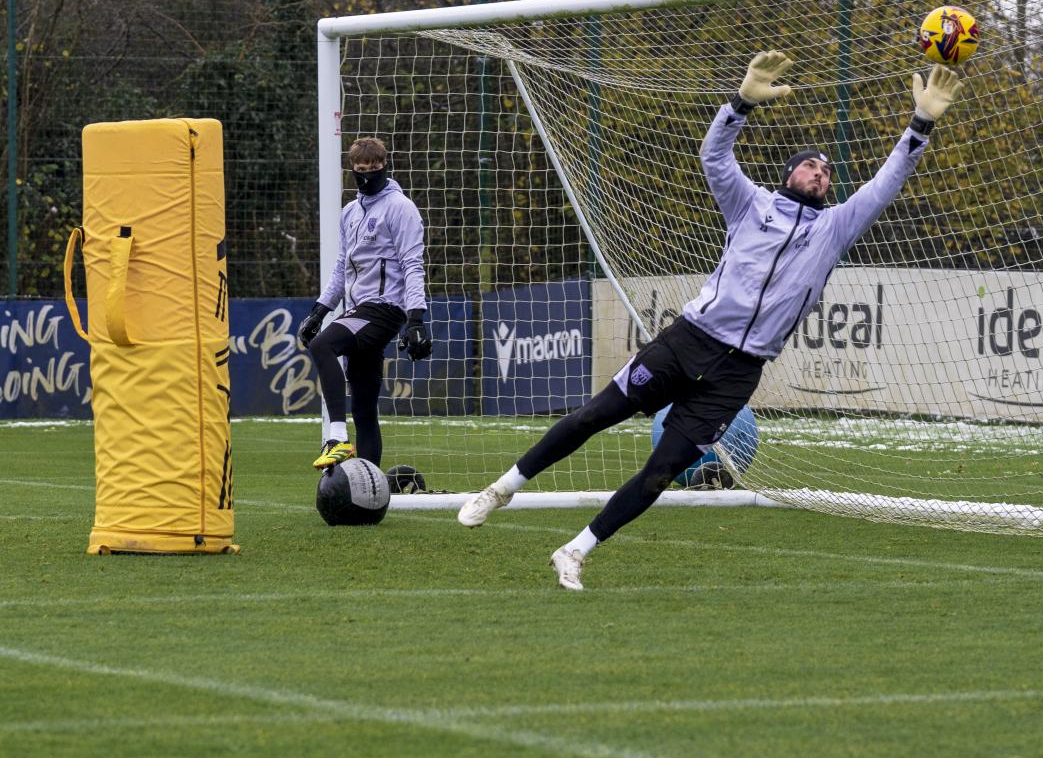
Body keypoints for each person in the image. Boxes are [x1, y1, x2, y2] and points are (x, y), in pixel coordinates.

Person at [458, 51, 964, 589]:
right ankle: (502, 487)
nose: (819, 173)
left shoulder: (835, 229)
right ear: (789, 173)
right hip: (688, 341)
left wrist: (921, 123)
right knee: (592, 417)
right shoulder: (751, 205)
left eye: (827, 171)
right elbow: (714, 156)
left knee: (662, 471)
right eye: (810, 165)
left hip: (738, 374)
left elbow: (889, 179)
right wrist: (740, 102)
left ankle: (575, 551)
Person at [298, 136, 432, 470]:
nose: (368, 175)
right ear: (353, 170)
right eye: (361, 170)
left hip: (384, 308)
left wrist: (416, 318)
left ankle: (337, 438)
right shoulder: (349, 213)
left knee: (323, 345)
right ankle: (373, 490)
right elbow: (342, 266)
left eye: (374, 169)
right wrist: (320, 309)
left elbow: (413, 264)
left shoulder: (401, 208)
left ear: (385, 166)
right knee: (364, 408)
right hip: (358, 309)